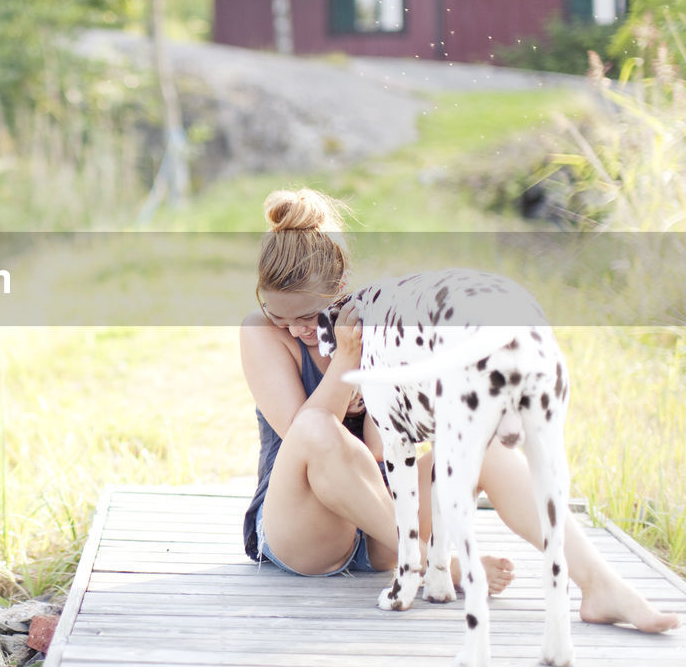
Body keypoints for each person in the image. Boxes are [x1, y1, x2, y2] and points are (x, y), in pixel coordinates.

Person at [239, 187, 679, 633]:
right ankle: (437, 566)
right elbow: (302, 434)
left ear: (340, 287)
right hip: (305, 531)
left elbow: (379, 448)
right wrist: (345, 365)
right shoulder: (260, 334)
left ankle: (600, 584)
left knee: (486, 445)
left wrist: (378, 372)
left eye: (312, 317)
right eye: (280, 316)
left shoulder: (370, 321)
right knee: (316, 427)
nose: (297, 329)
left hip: (379, 529)